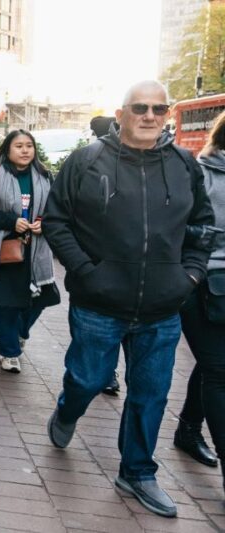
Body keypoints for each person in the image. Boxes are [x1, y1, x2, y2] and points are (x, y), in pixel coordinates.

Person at [43, 80, 214, 517]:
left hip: (162, 308)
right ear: (121, 114)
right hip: (99, 305)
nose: (150, 116)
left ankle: (137, 471)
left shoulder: (183, 165)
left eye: (160, 108)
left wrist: (189, 277)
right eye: (140, 107)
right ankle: (67, 410)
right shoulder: (86, 161)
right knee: (87, 379)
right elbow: (57, 222)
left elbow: (202, 228)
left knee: (151, 393)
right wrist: (86, 272)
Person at [0, 130, 60, 374]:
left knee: (42, 299)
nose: (25, 150)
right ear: (7, 150)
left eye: (29, 146)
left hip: (38, 249)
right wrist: (11, 221)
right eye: (19, 146)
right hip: (6, 250)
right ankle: (10, 353)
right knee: (6, 304)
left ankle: (20, 332)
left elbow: (57, 209)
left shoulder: (46, 177)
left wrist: (44, 221)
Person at [173, 111, 225, 477]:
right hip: (206, 286)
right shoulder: (201, 175)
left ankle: (189, 430)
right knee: (219, 370)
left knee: (214, 365)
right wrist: (191, 276)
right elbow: (182, 232)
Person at [88, 115, 122, 396]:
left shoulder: (168, 162)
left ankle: (109, 372)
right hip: (100, 256)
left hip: (142, 266)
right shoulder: (89, 159)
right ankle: (105, 372)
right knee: (104, 319)